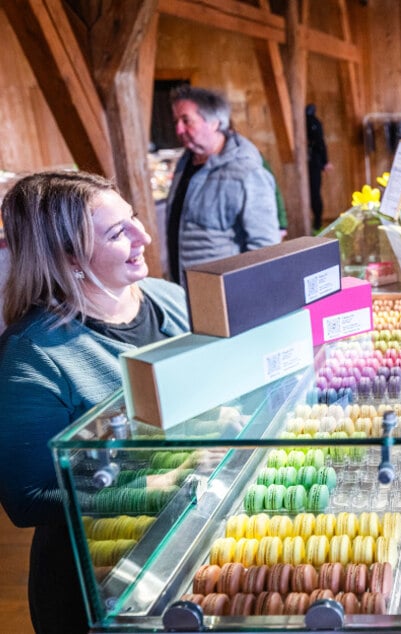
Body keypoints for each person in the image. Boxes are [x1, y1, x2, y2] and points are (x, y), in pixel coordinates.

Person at [0, 171, 190, 633]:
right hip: (100, 576)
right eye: (116, 232)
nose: (143, 236)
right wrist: (156, 486)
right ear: (68, 258)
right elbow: (29, 500)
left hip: (187, 541)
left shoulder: (171, 299)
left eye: (134, 219)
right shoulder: (32, 356)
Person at [167, 85, 280, 284]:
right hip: (185, 291)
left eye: (186, 120)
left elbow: (265, 248)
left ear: (214, 122)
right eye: (176, 121)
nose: (178, 129)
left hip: (223, 295)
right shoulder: (184, 163)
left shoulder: (246, 171)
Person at [306, 103, 332, 231]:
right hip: (313, 161)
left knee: (314, 193)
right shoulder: (314, 122)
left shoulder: (311, 123)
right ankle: (317, 222)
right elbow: (320, 143)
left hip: (312, 161)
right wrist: (325, 162)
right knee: (314, 192)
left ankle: (317, 222)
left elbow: (319, 142)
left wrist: (324, 162)